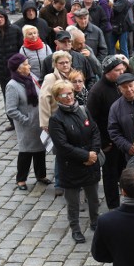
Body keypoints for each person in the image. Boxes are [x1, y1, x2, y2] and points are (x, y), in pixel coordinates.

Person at [48, 80, 102, 244]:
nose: (69, 97)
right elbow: (62, 146)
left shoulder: (83, 110)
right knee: (73, 202)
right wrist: (86, 156)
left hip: (90, 163)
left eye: (70, 93)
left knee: (93, 198)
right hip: (71, 167)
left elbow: (95, 131)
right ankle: (76, 229)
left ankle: (95, 222)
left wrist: (93, 153)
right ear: (57, 97)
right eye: (64, 94)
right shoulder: (56, 120)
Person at [87, 55, 129, 209]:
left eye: (122, 69)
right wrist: (103, 143)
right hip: (109, 143)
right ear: (107, 72)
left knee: (125, 172)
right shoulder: (97, 91)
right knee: (110, 176)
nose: (121, 72)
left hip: (124, 140)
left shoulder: (121, 84)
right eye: (118, 70)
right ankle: (113, 206)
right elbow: (92, 121)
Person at [4, 54, 49, 191]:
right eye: (25, 64)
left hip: (39, 122)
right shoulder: (12, 85)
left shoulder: (32, 78)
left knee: (40, 150)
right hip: (27, 125)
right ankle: (21, 179)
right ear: (18, 69)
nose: (29, 66)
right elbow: (11, 110)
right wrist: (26, 120)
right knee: (26, 152)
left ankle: (41, 175)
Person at [0, 9, 24, 132]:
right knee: (7, 96)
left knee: (21, 95)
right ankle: (12, 121)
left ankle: (22, 119)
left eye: (1, 17)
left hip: (17, 70)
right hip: (2, 71)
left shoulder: (15, 30)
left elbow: (21, 48)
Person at [108, 72, 134, 162]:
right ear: (119, 89)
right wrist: (126, 146)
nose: (129, 89)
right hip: (132, 154)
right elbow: (114, 131)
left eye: (131, 85)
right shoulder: (115, 107)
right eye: (124, 87)